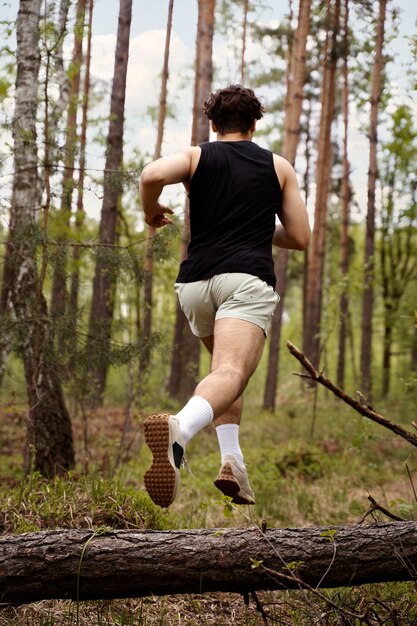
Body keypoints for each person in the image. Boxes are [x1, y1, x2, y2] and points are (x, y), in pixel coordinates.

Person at [139, 84, 310, 508]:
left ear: (213, 125)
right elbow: (300, 237)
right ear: (254, 125)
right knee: (233, 371)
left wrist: (150, 211)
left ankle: (233, 462)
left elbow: (149, 176)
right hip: (245, 280)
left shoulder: (198, 156)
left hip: (195, 285)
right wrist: (256, 226)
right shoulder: (278, 166)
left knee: (224, 375)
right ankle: (180, 428)